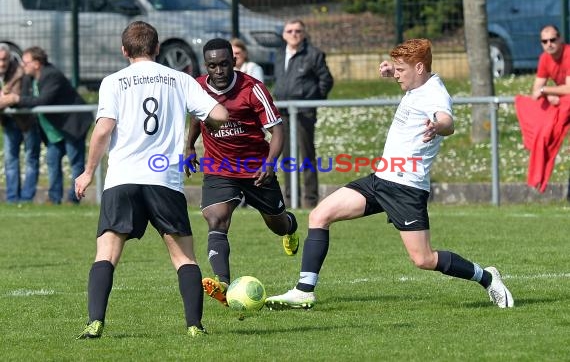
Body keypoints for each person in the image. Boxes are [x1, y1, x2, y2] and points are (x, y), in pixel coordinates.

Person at [265, 39, 514, 311]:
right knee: (319, 215)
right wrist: (391, 73)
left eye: (400, 70)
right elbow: (408, 82)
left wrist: (438, 125)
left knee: (424, 259)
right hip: (381, 179)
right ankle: (304, 291)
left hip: (406, 188)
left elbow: (447, 121)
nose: (396, 74)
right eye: (394, 69)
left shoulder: (435, 93)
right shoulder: (416, 83)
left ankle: (488, 278)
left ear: (419, 67)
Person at [74, 21, 228, 339]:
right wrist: (207, 118)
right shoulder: (179, 79)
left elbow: (103, 129)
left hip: (122, 179)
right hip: (164, 180)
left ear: (124, 51)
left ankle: (94, 322)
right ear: (157, 49)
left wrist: (88, 171)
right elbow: (220, 114)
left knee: (106, 254)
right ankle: (194, 326)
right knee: (183, 257)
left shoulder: (114, 82)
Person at [184, 38, 298, 307]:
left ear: (234, 62)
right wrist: (189, 145)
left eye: (224, 64)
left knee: (277, 224)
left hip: (256, 169)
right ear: (206, 66)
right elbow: (197, 116)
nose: (219, 71)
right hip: (218, 167)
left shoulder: (253, 89)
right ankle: (223, 283)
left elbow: (278, 130)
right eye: (213, 65)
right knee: (216, 220)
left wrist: (269, 164)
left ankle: (290, 227)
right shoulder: (198, 87)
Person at [0, 46, 93, 204]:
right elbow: (25, 98)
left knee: (75, 162)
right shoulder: (30, 78)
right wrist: (10, 98)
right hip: (54, 129)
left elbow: (42, 101)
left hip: (72, 125)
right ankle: (54, 198)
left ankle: (73, 198)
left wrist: (15, 99)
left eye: (26, 62)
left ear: (37, 63)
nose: (23, 65)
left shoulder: (52, 75)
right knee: (52, 160)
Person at [272, 19, 334, 209]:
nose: (294, 34)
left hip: (303, 113)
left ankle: (310, 200)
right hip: (283, 112)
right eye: (289, 31)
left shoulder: (314, 54)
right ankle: (291, 198)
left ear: (304, 33)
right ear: (283, 34)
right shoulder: (280, 54)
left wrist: (312, 100)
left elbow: (326, 80)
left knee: (306, 156)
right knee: (287, 158)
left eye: (298, 30)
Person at [515, 24, 570, 195]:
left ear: (560, 39)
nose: (549, 44)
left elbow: (568, 89)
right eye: (544, 41)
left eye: (553, 40)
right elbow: (535, 92)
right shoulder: (544, 58)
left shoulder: (568, 54)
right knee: (525, 104)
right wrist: (547, 94)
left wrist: (547, 91)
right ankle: (536, 141)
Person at [0, 43, 40, 204]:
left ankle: (26, 198)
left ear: (9, 58)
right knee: (10, 159)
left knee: (31, 158)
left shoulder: (19, 70)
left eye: (4, 59)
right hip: (9, 121)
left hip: (27, 120)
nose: (1, 63)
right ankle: (12, 198)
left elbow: (12, 99)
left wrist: (6, 97)